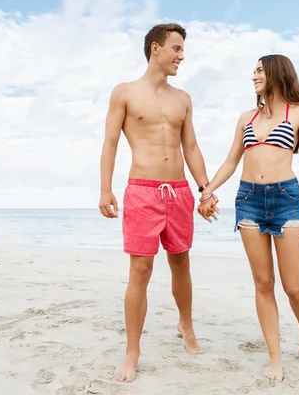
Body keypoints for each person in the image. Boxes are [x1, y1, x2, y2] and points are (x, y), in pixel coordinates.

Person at [98, 23, 218, 383]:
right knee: (140, 271)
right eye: (177, 49)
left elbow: (191, 147)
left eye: (183, 50)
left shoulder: (182, 98)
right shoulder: (125, 93)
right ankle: (132, 351)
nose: (182, 56)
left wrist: (205, 189)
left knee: (181, 261)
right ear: (155, 48)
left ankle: (187, 326)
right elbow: (110, 144)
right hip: (142, 191)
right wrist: (105, 189)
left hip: (179, 190)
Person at [198, 54, 299, 381]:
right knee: (263, 283)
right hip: (249, 200)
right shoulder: (246, 118)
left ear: (277, 73)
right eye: (253, 71)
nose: (254, 76)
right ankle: (275, 357)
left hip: (287, 199)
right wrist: (206, 190)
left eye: (259, 71)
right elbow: (231, 161)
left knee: (293, 286)